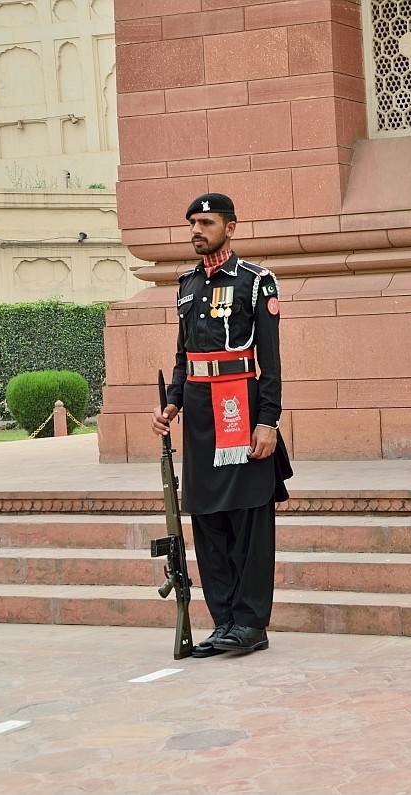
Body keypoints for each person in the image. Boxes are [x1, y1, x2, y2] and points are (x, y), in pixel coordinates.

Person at [152, 192, 291, 658]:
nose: (196, 230)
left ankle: (251, 624)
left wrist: (268, 421)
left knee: (249, 522)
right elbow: (182, 355)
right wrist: (171, 403)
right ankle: (224, 621)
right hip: (199, 419)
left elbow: (268, 362)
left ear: (230, 228)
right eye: (192, 222)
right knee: (208, 521)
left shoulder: (256, 282)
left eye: (206, 222)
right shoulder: (186, 285)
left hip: (242, 412)